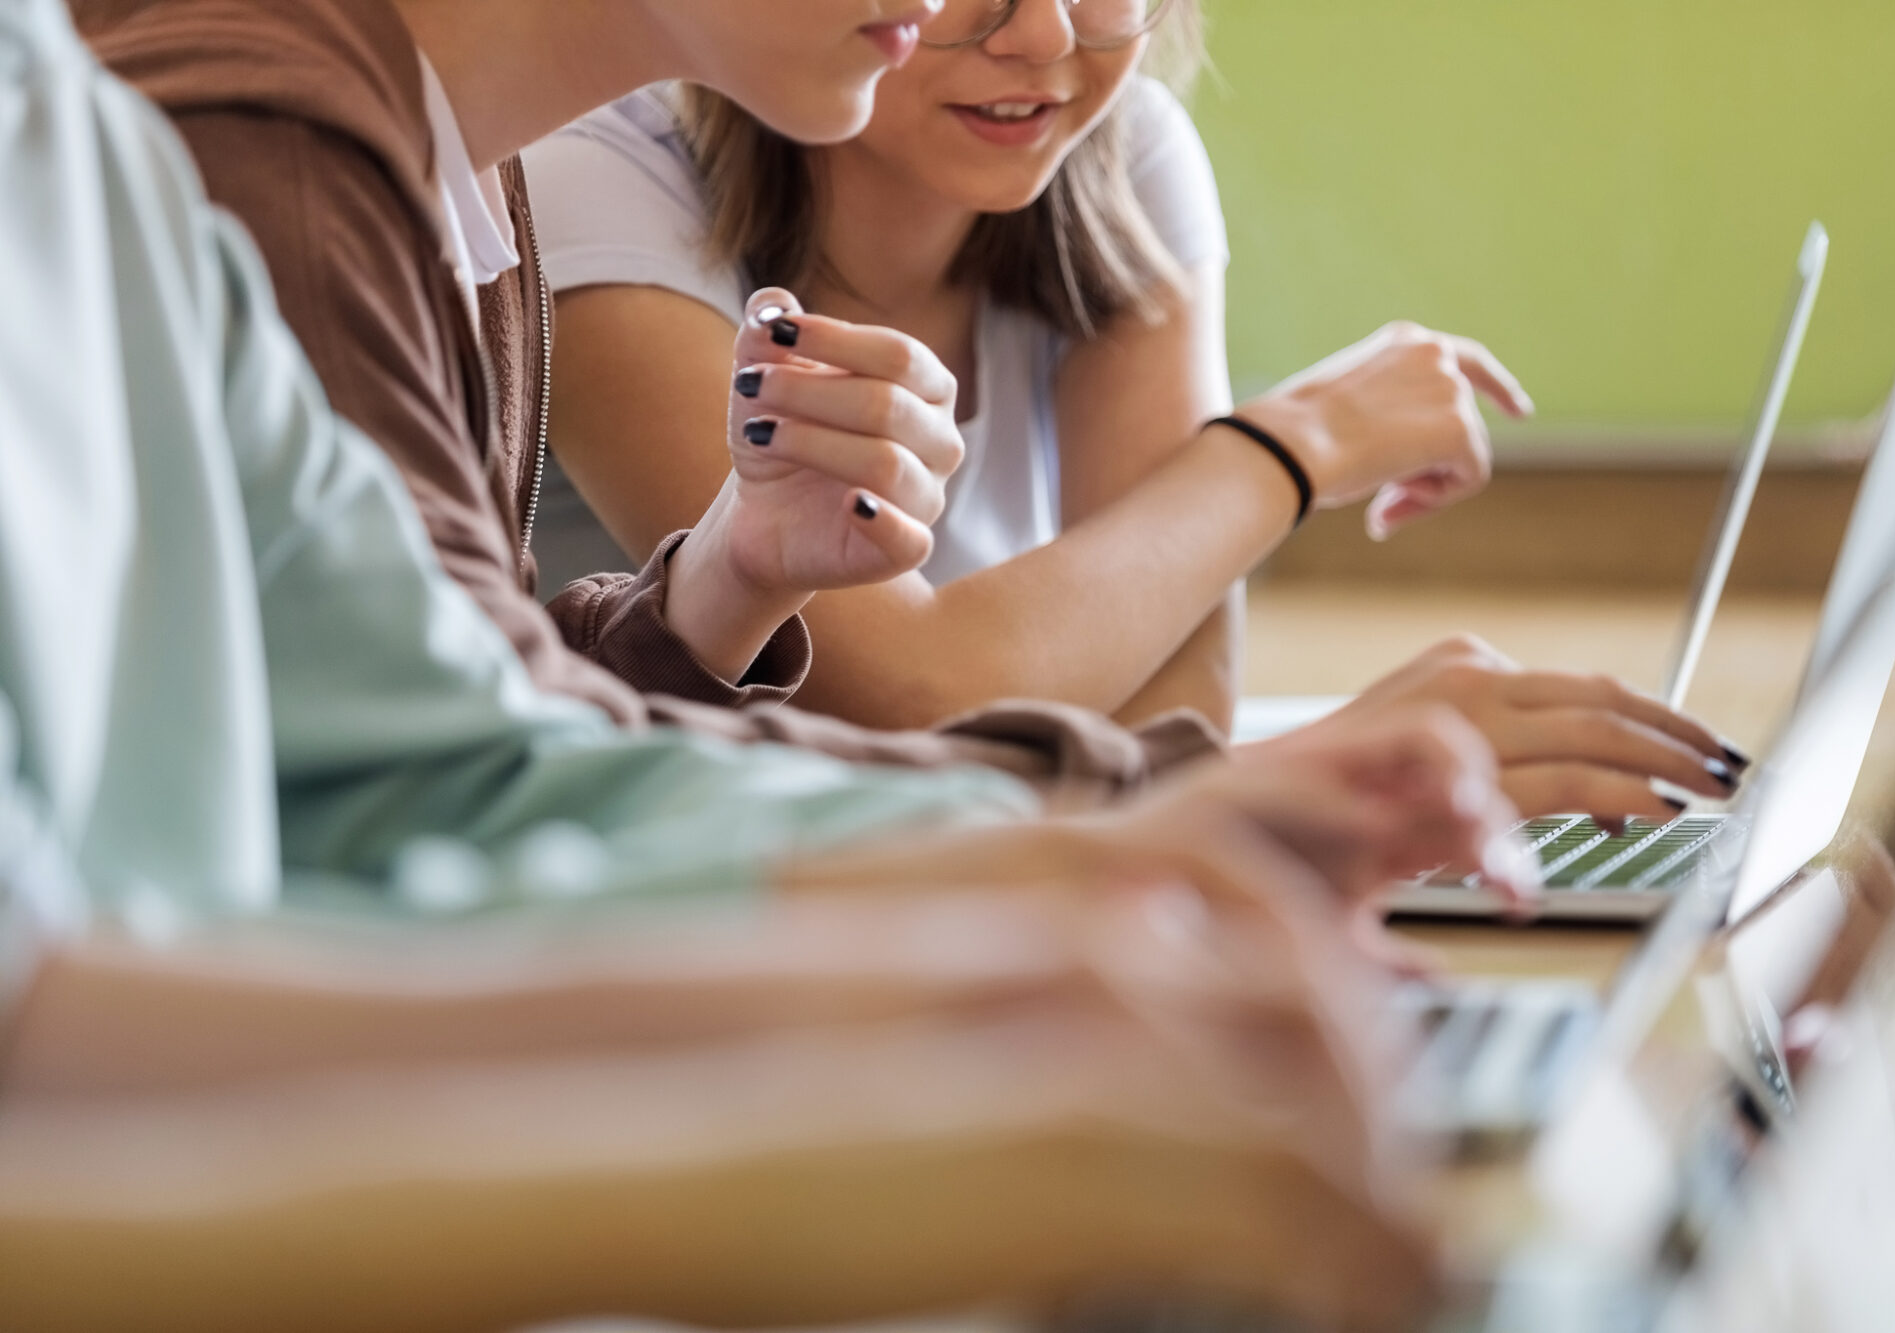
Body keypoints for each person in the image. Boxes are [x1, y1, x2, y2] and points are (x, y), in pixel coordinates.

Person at [0, 4, 1514, 1323]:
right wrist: (1012, 888)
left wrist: (1025, 875)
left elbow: (437, 742)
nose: (1000, 21)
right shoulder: (252, 134)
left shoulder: (124, 146)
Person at [83, 0, 1750, 830]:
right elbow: (453, 830)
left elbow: (443, 728)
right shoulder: (279, 152)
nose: (1022, 20)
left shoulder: (465, 157)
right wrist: (1210, 799)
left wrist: (715, 593)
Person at [525, 0, 1536, 735]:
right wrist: (1291, 445)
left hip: (954, 886)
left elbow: (1172, 722)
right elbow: (908, 696)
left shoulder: (1121, 155)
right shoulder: (591, 173)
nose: (1043, 35)